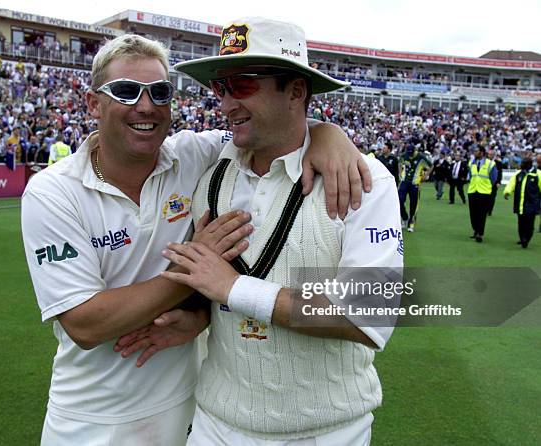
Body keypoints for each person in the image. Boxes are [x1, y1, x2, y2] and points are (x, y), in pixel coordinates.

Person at [21, 33, 372, 446]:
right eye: (127, 92)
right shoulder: (52, 192)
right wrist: (195, 268)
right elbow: (85, 323)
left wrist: (328, 132)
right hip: (92, 414)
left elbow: (275, 129)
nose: (146, 106)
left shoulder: (194, 155)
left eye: (160, 92)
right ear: (93, 104)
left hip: (191, 407)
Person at [121, 17, 402, 445]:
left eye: (243, 85)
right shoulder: (209, 172)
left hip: (324, 432)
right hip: (216, 423)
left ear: (296, 91)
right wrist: (196, 317)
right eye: (221, 88)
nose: (227, 103)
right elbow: (209, 285)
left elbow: (368, 314)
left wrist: (235, 289)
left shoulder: (365, 181)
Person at [503, 158, 540, 248]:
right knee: (521, 222)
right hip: (520, 203)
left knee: (530, 223)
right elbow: (511, 183)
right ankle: (523, 238)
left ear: (529, 164)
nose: (521, 164)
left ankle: (527, 238)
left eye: (523, 163)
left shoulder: (538, 174)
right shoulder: (518, 174)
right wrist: (507, 192)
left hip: (532, 204)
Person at [398, 144, 432, 232]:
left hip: (415, 183)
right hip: (404, 181)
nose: (410, 155)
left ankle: (411, 223)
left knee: (414, 204)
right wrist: (400, 173)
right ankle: (404, 217)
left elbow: (431, 166)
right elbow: (400, 162)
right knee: (399, 200)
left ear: (414, 151)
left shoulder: (421, 157)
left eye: (411, 153)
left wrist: (426, 175)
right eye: (408, 153)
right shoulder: (404, 155)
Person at [467, 145, 497, 242]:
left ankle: (480, 233)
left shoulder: (490, 164)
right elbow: (471, 176)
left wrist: (486, 186)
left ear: (482, 152)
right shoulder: (472, 163)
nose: (474, 153)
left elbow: (493, 179)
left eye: (476, 151)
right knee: (473, 213)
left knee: (482, 214)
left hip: (484, 192)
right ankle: (476, 230)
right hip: (472, 190)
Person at [487, 148, 503, 216]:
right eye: (489, 154)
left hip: (494, 183)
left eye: (491, 155)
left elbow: (500, 173)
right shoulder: (485, 162)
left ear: (494, 155)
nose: (490, 156)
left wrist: (498, 182)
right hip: (486, 182)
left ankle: (490, 210)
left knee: (492, 197)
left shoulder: (498, 163)